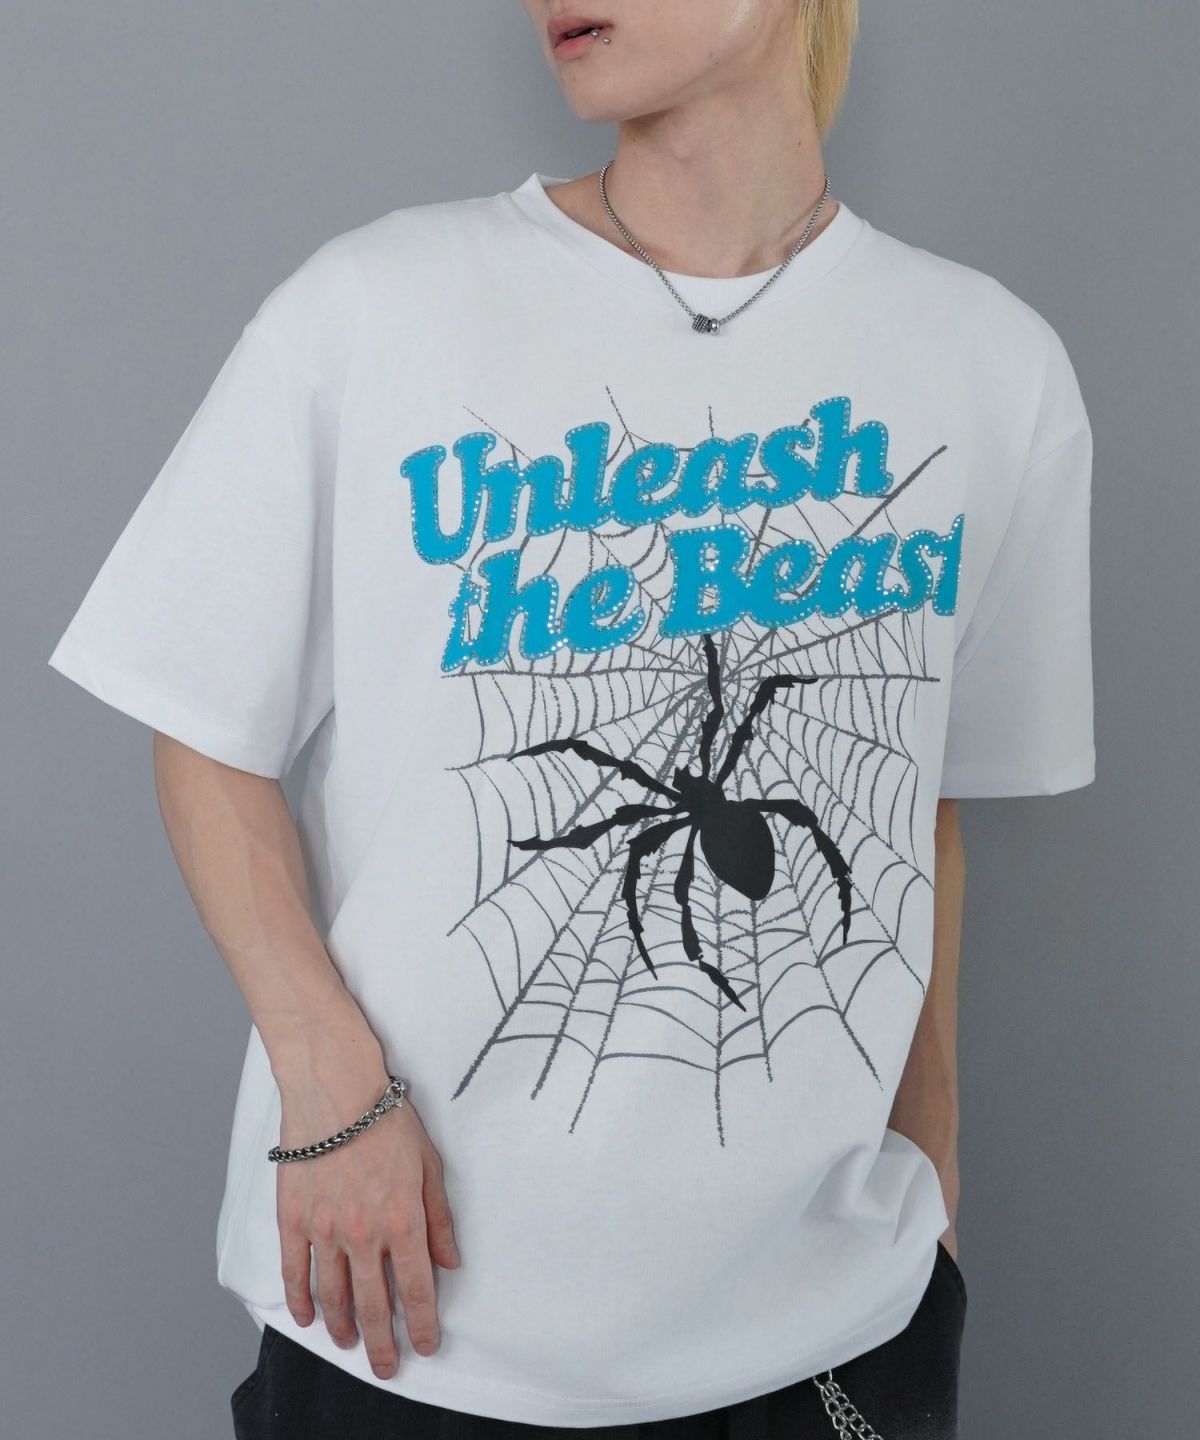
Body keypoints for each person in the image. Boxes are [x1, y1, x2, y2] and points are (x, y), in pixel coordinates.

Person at [46, 1, 1095, 1436]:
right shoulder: (376, 305)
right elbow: (201, 734)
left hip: (832, 1332)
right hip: (404, 1313)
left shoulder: (993, 363)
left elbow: (919, 807)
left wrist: (935, 1153)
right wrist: (328, 1085)